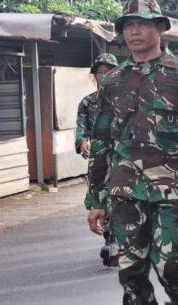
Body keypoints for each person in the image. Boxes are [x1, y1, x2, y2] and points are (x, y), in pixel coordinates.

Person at [85, 0, 178, 305]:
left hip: (170, 190)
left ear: (160, 29)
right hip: (124, 191)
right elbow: (101, 142)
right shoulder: (113, 81)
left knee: (174, 269)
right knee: (131, 276)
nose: (134, 31)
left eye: (143, 24)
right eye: (129, 25)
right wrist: (96, 200)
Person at [75, 52, 119, 266]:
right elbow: (81, 128)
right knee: (102, 196)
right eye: (100, 72)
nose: (104, 75)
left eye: (109, 71)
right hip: (100, 159)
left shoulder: (126, 99)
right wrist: (82, 142)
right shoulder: (88, 102)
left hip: (123, 156)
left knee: (120, 196)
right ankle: (111, 239)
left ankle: (116, 241)